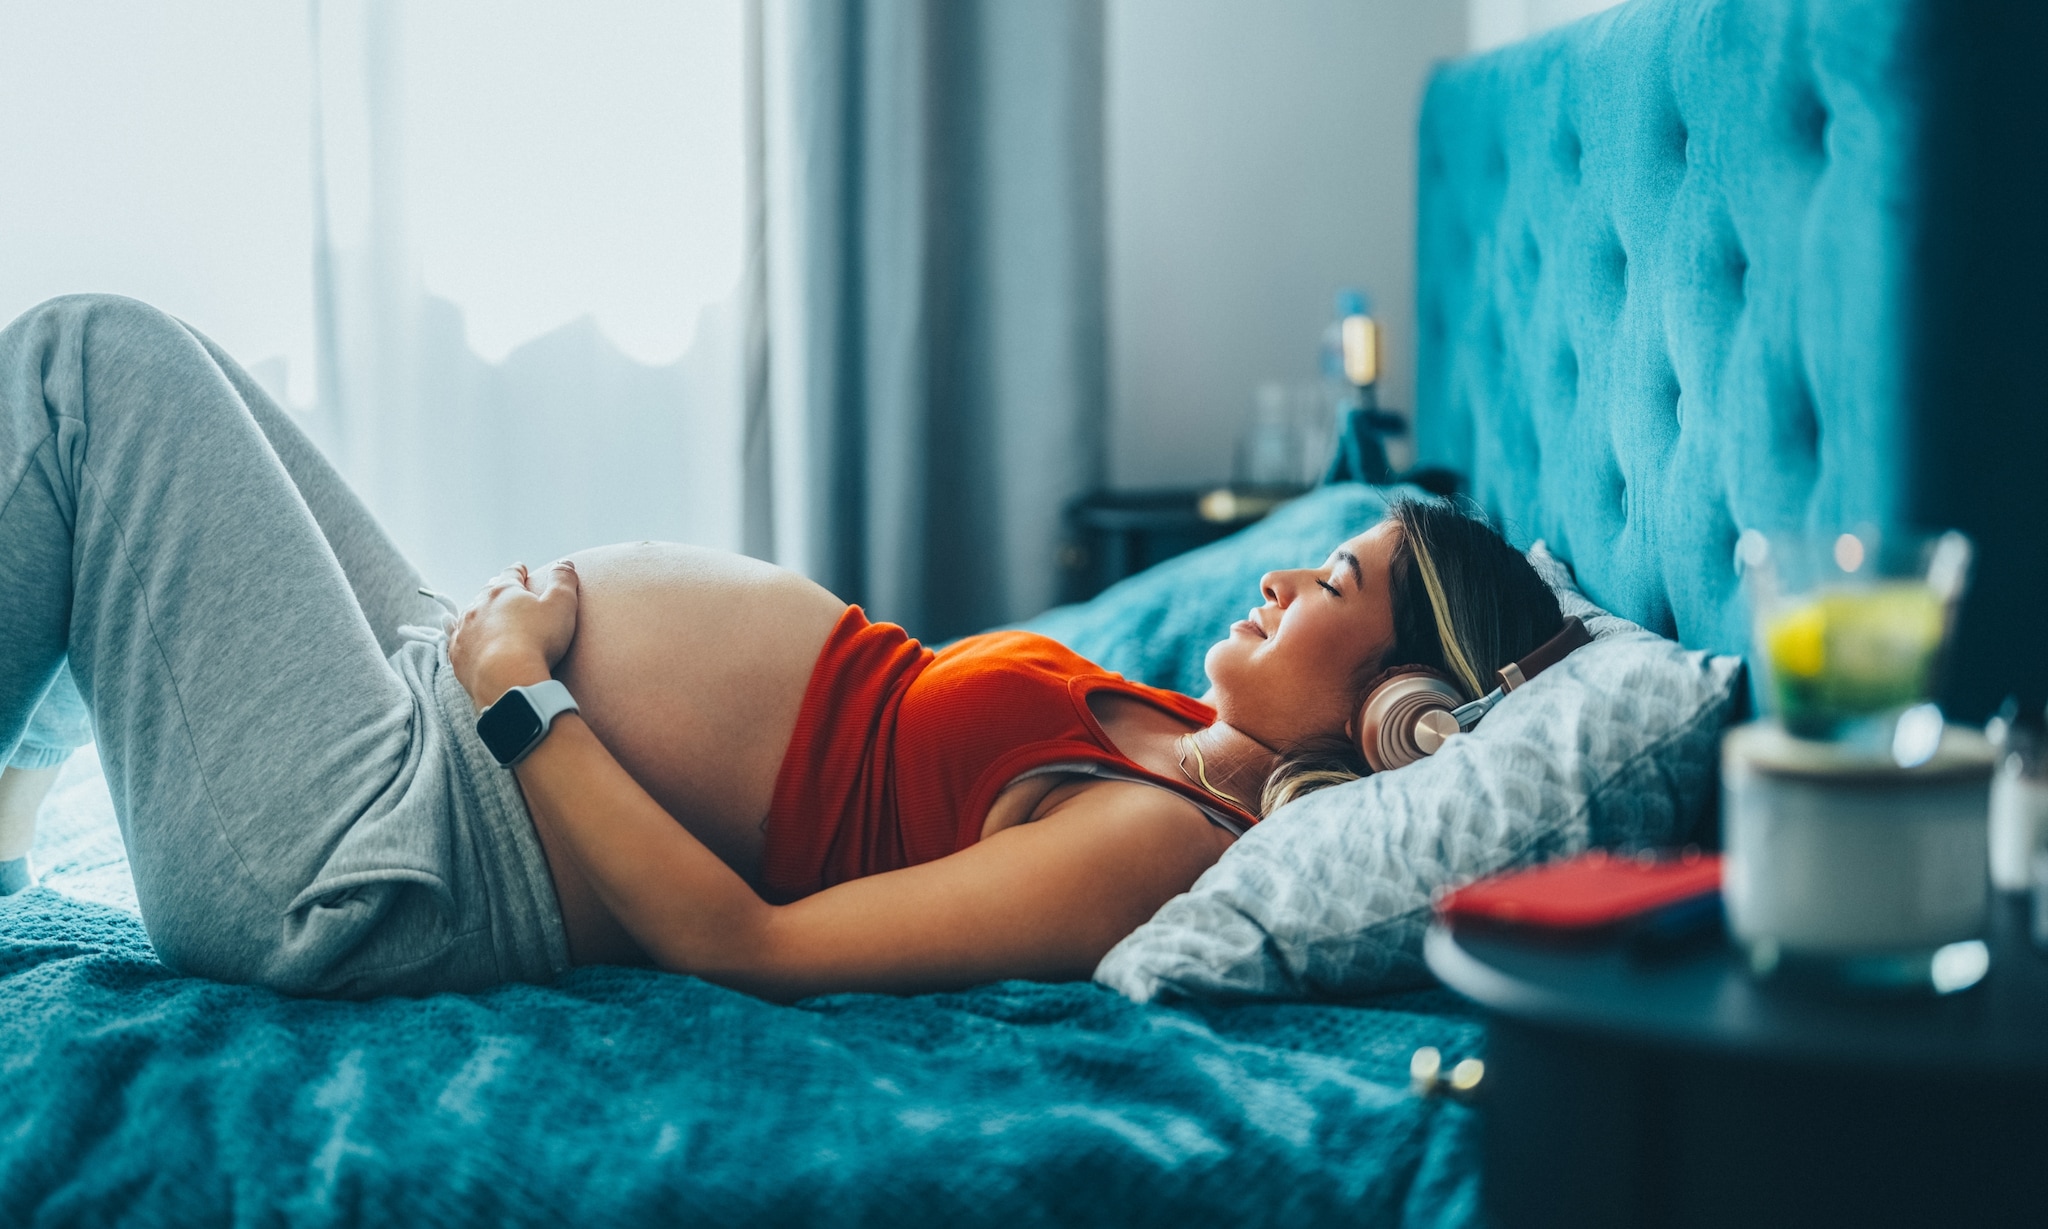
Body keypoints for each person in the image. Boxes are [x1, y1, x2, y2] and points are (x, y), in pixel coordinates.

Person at [0, 295, 1562, 1001]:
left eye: (1338, 584)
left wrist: (519, 694)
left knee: (92, 365)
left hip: (397, 853)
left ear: (1395, 704)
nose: (1284, 574)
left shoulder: (1156, 839)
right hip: (437, 717)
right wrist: (480, 665)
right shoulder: (1163, 721)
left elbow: (751, 947)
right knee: (178, 357)